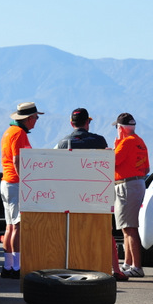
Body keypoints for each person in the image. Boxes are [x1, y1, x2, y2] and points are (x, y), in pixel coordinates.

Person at [54, 108, 128, 281]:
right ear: (88, 122)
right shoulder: (99, 141)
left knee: (73, 231)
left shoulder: (63, 143)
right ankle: (115, 269)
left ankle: (73, 266)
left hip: (71, 196)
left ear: (71, 123)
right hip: (97, 195)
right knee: (106, 231)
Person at [0, 102, 44, 278]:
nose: (37, 121)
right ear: (29, 118)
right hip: (16, 182)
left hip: (7, 182)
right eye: (36, 117)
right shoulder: (19, 133)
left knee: (10, 226)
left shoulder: (9, 131)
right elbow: (18, 160)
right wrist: (26, 182)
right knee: (17, 226)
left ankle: (8, 266)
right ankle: (17, 267)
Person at [113, 112, 149, 278]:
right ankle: (128, 263)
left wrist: (116, 145)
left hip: (127, 185)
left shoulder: (126, 142)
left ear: (120, 128)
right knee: (127, 227)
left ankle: (136, 266)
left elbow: (112, 161)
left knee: (130, 228)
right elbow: (146, 168)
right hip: (137, 183)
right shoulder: (139, 141)